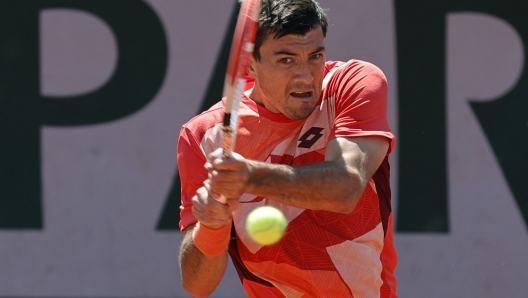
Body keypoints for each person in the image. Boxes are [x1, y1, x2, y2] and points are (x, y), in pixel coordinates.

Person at [177, 0, 398, 297]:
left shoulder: (352, 84)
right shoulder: (203, 135)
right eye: (286, 60)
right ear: (251, 64)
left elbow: (347, 186)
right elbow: (197, 285)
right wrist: (212, 227)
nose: (306, 76)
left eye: (315, 56)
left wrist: (250, 176)